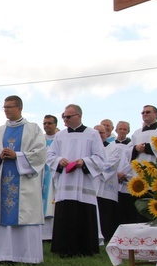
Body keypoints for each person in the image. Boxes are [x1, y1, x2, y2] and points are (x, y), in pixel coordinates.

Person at [0, 96, 47, 264]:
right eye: (4, 107)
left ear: (19, 108)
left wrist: (17, 156)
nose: (6, 110)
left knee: (25, 215)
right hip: (3, 178)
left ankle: (26, 256)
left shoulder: (33, 129)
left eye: (10, 107)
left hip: (24, 181)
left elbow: (40, 153)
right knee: (2, 215)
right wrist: (0, 155)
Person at [46, 104, 106, 257]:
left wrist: (84, 162)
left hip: (83, 181)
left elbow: (100, 158)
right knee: (65, 213)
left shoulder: (92, 134)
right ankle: (63, 249)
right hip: (66, 182)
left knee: (83, 213)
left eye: (68, 116)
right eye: (64, 116)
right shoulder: (60, 135)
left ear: (78, 116)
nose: (65, 119)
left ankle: (85, 249)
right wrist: (59, 160)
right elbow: (50, 155)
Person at [93, 125, 124, 242]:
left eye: (102, 132)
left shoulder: (114, 148)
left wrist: (93, 169)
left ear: (107, 134)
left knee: (105, 213)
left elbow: (111, 164)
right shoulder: (89, 148)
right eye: (97, 133)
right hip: (91, 185)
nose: (100, 135)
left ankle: (106, 236)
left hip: (106, 187)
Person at [41, 115, 58, 240]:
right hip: (41, 175)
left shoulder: (60, 138)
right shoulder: (40, 139)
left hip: (55, 174)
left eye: (50, 123)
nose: (47, 125)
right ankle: (42, 234)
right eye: (45, 123)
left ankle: (54, 233)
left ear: (55, 125)